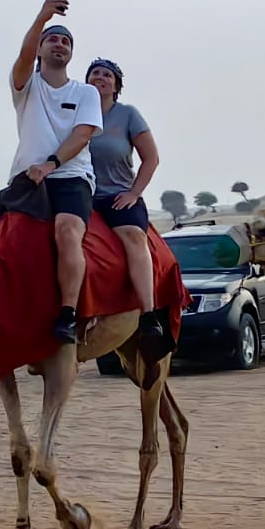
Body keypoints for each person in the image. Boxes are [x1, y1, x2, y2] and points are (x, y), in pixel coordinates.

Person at [0, 0, 105, 343]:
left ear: (71, 54)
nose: (59, 44)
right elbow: (23, 57)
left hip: (71, 177)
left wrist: (51, 164)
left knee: (66, 231)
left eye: (65, 42)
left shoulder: (86, 93)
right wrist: (43, 16)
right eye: (52, 40)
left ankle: (68, 314)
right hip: (25, 178)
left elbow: (83, 135)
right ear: (40, 49)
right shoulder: (25, 87)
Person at [85, 57, 169, 359]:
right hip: (82, 195)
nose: (100, 77)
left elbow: (151, 158)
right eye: (95, 73)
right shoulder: (76, 113)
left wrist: (135, 192)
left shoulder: (128, 115)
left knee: (134, 236)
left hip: (119, 195)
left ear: (116, 85)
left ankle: (148, 315)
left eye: (107, 75)